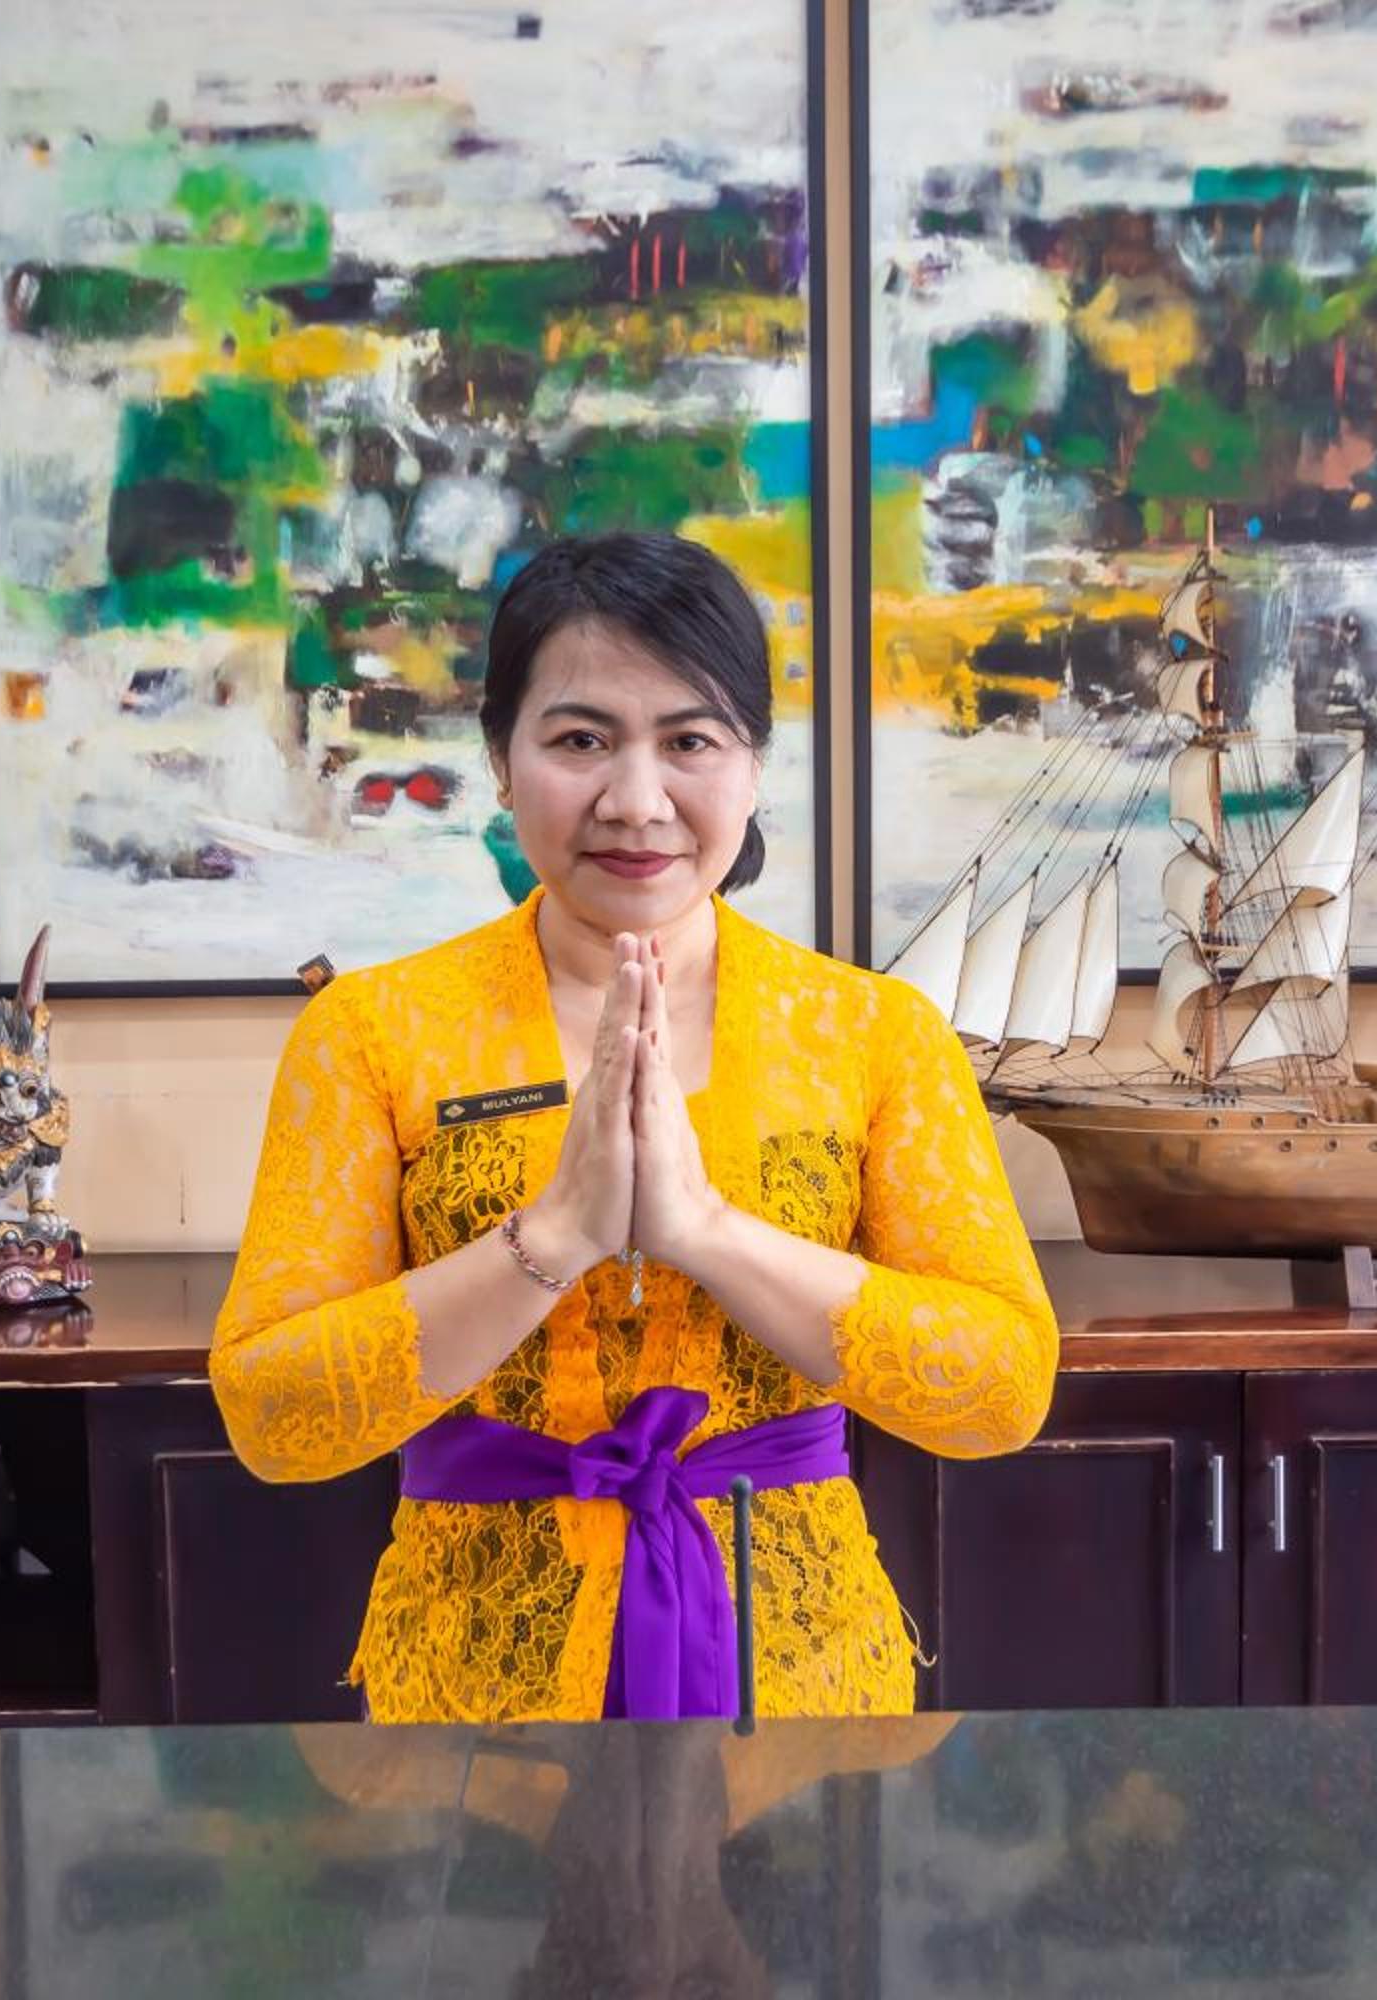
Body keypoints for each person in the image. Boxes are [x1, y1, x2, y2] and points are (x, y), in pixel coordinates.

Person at [213, 532, 1057, 1724]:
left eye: (690, 741)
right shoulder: (372, 1031)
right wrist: (553, 1235)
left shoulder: (873, 1031)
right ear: (500, 759)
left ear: (752, 764)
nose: (637, 800)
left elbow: (1001, 1390)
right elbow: (271, 1416)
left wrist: (707, 1230)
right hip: (472, 1696)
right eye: (580, 739)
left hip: (797, 1687)